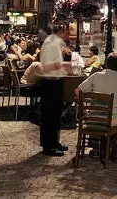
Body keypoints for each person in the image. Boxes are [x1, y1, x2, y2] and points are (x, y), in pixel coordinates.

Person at [76, 52, 117, 162]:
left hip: (93, 118)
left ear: (106, 63)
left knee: (97, 120)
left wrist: (86, 103)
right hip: (112, 120)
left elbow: (78, 91)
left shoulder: (96, 76)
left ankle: (95, 149)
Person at [38, 25, 69, 156]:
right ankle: (48, 146)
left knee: (55, 115)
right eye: (67, 31)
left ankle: (54, 142)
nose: (68, 35)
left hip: (53, 82)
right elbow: (46, 67)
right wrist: (63, 66)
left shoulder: (53, 41)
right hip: (51, 82)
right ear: (61, 31)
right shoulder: (52, 43)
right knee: (50, 116)